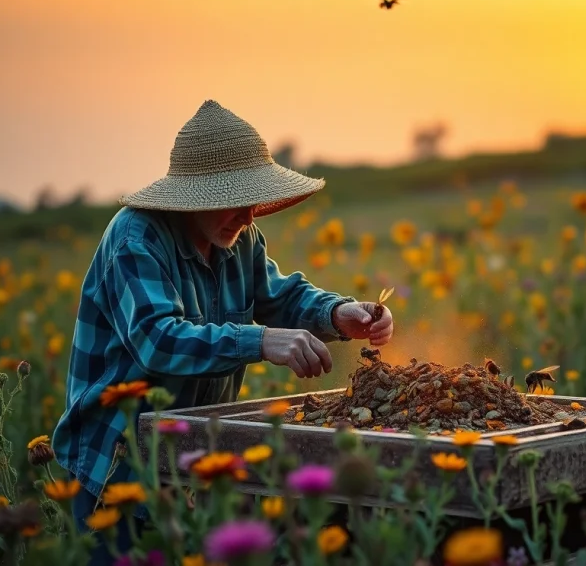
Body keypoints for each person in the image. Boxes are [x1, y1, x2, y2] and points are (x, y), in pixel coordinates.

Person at [51, 100, 394, 565]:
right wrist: (259, 340)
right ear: (193, 199)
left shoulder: (239, 235)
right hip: (117, 465)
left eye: (253, 200)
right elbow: (157, 339)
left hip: (190, 460)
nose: (249, 216)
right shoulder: (136, 239)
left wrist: (339, 313)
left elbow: (281, 296)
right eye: (236, 201)